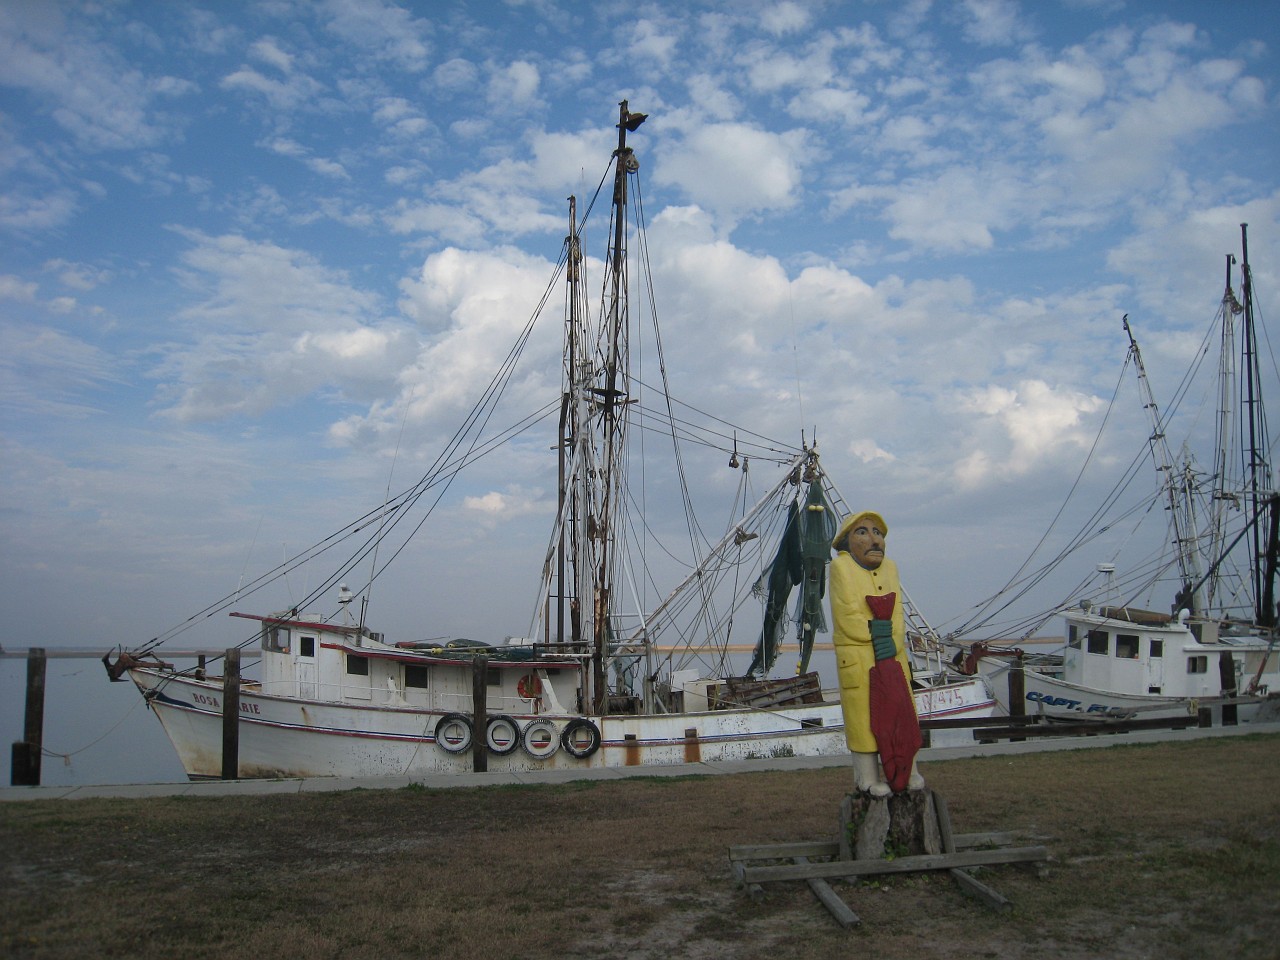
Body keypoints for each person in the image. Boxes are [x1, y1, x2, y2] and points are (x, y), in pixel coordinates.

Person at [829, 511, 925, 796]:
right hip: (859, 657)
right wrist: (875, 633)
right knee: (864, 719)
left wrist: (893, 640)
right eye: (862, 532)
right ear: (846, 542)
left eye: (878, 533)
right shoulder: (840, 568)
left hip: (893, 655)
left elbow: (898, 613)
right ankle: (867, 777)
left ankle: (910, 770)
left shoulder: (890, 568)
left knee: (903, 714)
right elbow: (846, 614)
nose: (874, 540)